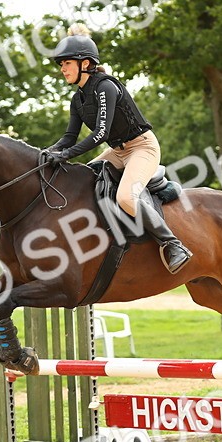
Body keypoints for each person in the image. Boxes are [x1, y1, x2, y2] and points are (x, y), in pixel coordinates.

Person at [42, 24, 192, 273]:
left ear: (85, 64)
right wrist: (47, 153)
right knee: (82, 181)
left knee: (125, 197)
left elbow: (100, 134)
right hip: (117, 152)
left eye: (67, 63)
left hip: (142, 148)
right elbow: (68, 137)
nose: (62, 69)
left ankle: (173, 244)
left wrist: (65, 155)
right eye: (61, 64)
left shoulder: (106, 87)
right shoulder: (77, 99)